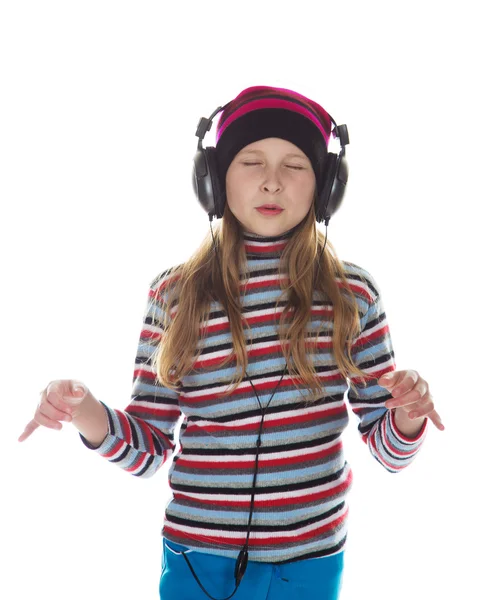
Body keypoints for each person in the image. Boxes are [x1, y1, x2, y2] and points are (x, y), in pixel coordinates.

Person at [18, 85, 444, 600]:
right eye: (251, 162)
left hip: (309, 562)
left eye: (294, 165)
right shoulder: (175, 295)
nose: (271, 182)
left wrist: (407, 414)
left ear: (326, 188)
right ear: (215, 181)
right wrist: (84, 409)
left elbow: (390, 450)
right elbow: (149, 449)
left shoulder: (352, 294)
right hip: (197, 560)